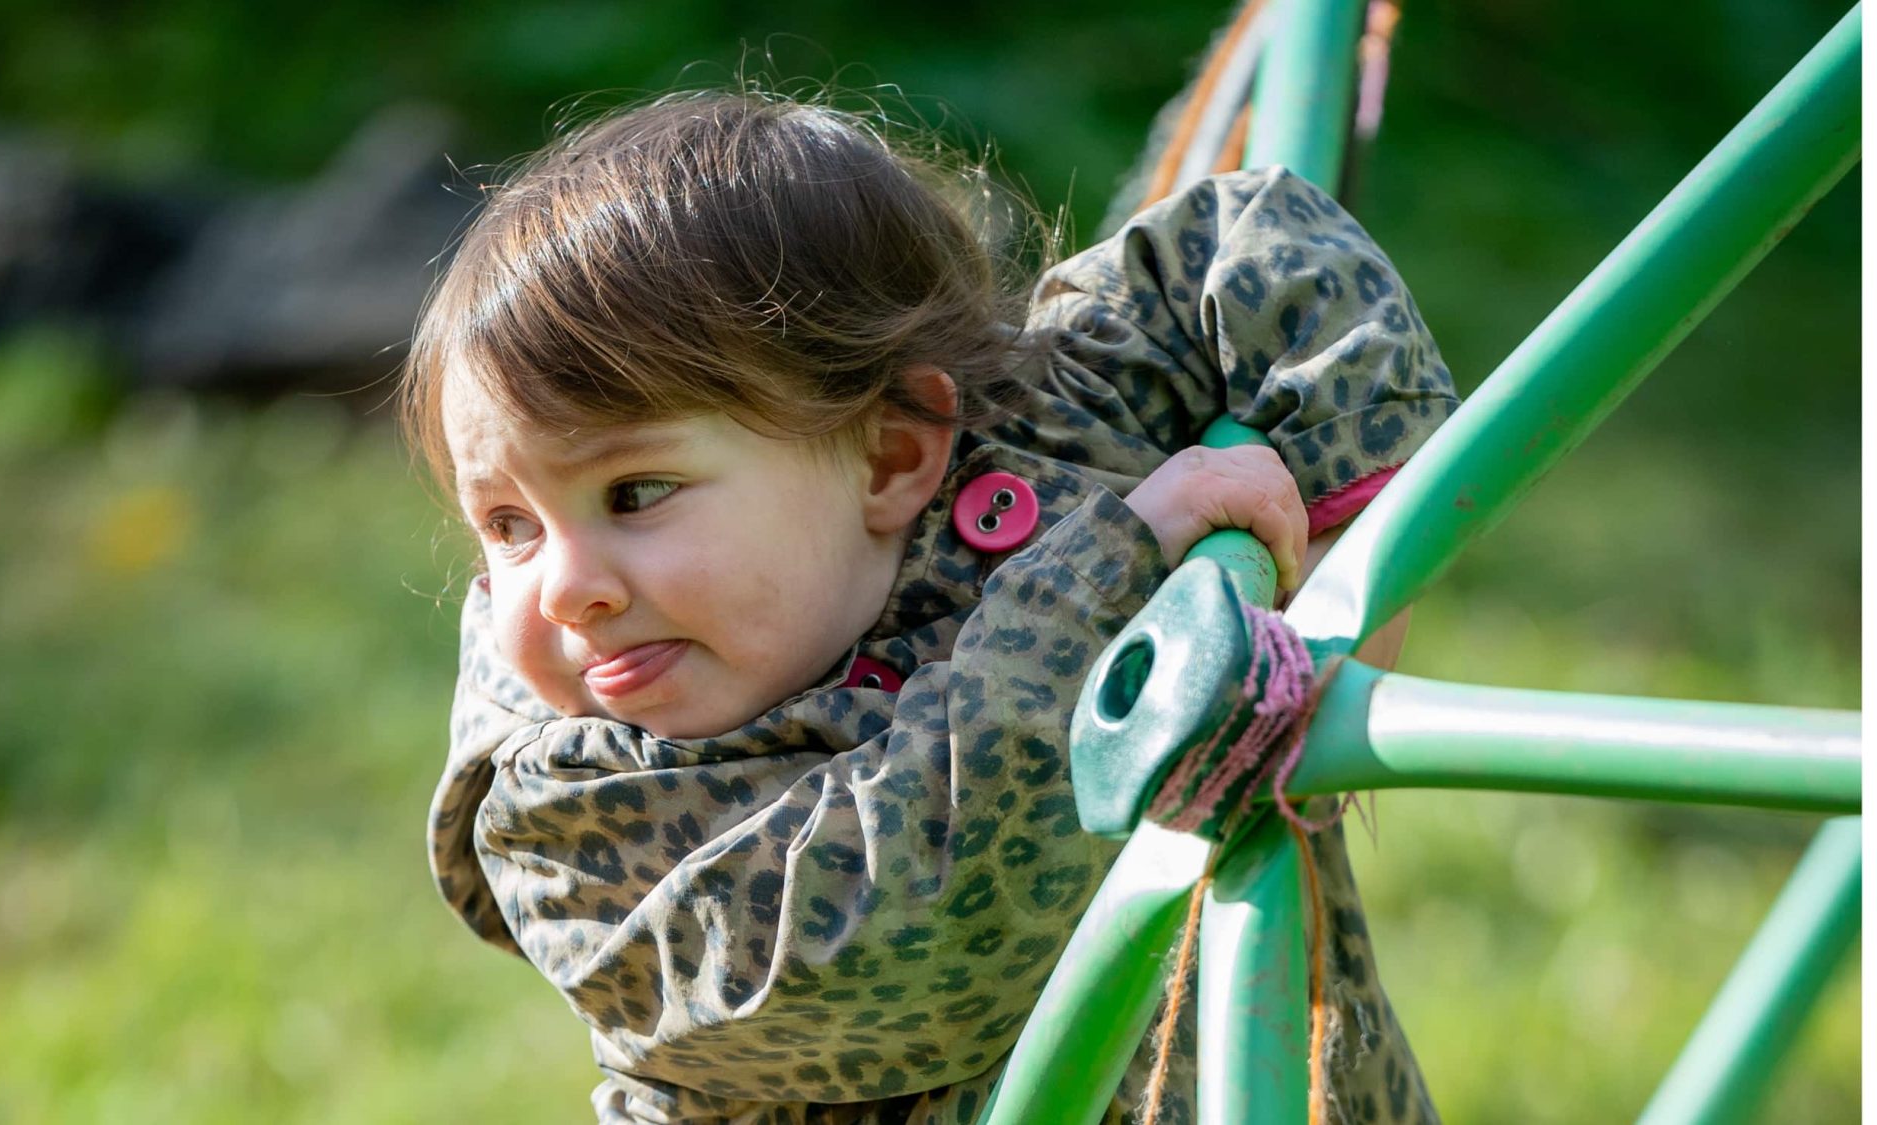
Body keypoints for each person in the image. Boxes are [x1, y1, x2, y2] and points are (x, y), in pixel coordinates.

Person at [404, 91, 1457, 1124]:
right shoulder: (575, 816)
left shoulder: (1056, 435)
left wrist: (1344, 540)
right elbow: (897, 944)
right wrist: (1102, 590)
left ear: (892, 452)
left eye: (633, 495)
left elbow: (1254, 240)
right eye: (508, 526)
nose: (565, 586)